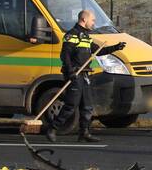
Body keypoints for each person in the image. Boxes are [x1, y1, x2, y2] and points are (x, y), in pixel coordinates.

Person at [43, 10, 126, 143]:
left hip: (85, 74)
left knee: (87, 106)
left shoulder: (86, 37)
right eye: (92, 20)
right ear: (84, 20)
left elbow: (99, 51)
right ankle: (52, 129)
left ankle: (84, 133)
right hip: (75, 74)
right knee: (71, 105)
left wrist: (115, 47)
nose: (94, 23)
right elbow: (65, 56)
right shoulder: (71, 35)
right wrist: (70, 72)